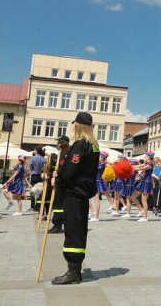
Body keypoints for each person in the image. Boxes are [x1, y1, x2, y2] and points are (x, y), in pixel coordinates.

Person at [51, 112, 100, 285]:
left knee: (73, 230)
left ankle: (73, 271)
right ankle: (75, 269)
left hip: (74, 192)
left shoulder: (80, 144)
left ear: (77, 125)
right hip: (83, 192)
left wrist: (58, 176)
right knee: (78, 229)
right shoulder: (94, 145)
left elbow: (71, 171)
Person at [47, 136, 70, 233]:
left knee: (59, 204)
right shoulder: (59, 153)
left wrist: (57, 174)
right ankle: (57, 223)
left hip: (62, 182)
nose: (58, 144)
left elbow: (65, 168)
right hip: (58, 181)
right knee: (57, 203)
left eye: (59, 142)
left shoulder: (66, 154)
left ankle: (58, 224)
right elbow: (54, 167)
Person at [134, 152, 154, 222]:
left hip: (146, 182)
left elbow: (140, 168)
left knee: (144, 200)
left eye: (145, 156)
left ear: (149, 157)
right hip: (143, 181)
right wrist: (129, 166)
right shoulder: (146, 163)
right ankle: (141, 209)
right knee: (132, 196)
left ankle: (145, 217)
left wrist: (129, 168)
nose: (144, 157)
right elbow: (138, 166)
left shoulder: (150, 164)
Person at [91, 150, 109, 222]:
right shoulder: (100, 163)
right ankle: (95, 215)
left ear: (102, 157)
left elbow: (94, 168)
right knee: (95, 199)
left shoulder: (101, 164)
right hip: (96, 181)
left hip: (98, 181)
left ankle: (96, 216)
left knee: (96, 199)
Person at [29, 146, 46, 212]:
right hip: (40, 175)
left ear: (36, 151)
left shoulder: (33, 158)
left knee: (33, 190)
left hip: (34, 175)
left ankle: (32, 205)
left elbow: (30, 166)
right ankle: (38, 205)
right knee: (39, 190)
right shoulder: (43, 159)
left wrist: (33, 170)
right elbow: (44, 167)